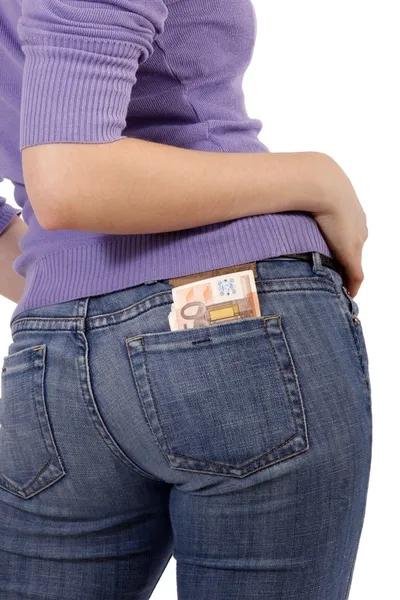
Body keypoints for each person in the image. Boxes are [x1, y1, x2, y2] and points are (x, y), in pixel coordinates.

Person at [0, 1, 371, 599]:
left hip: (51, 351)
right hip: (242, 323)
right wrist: (316, 178)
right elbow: (74, 176)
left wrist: (86, 314)